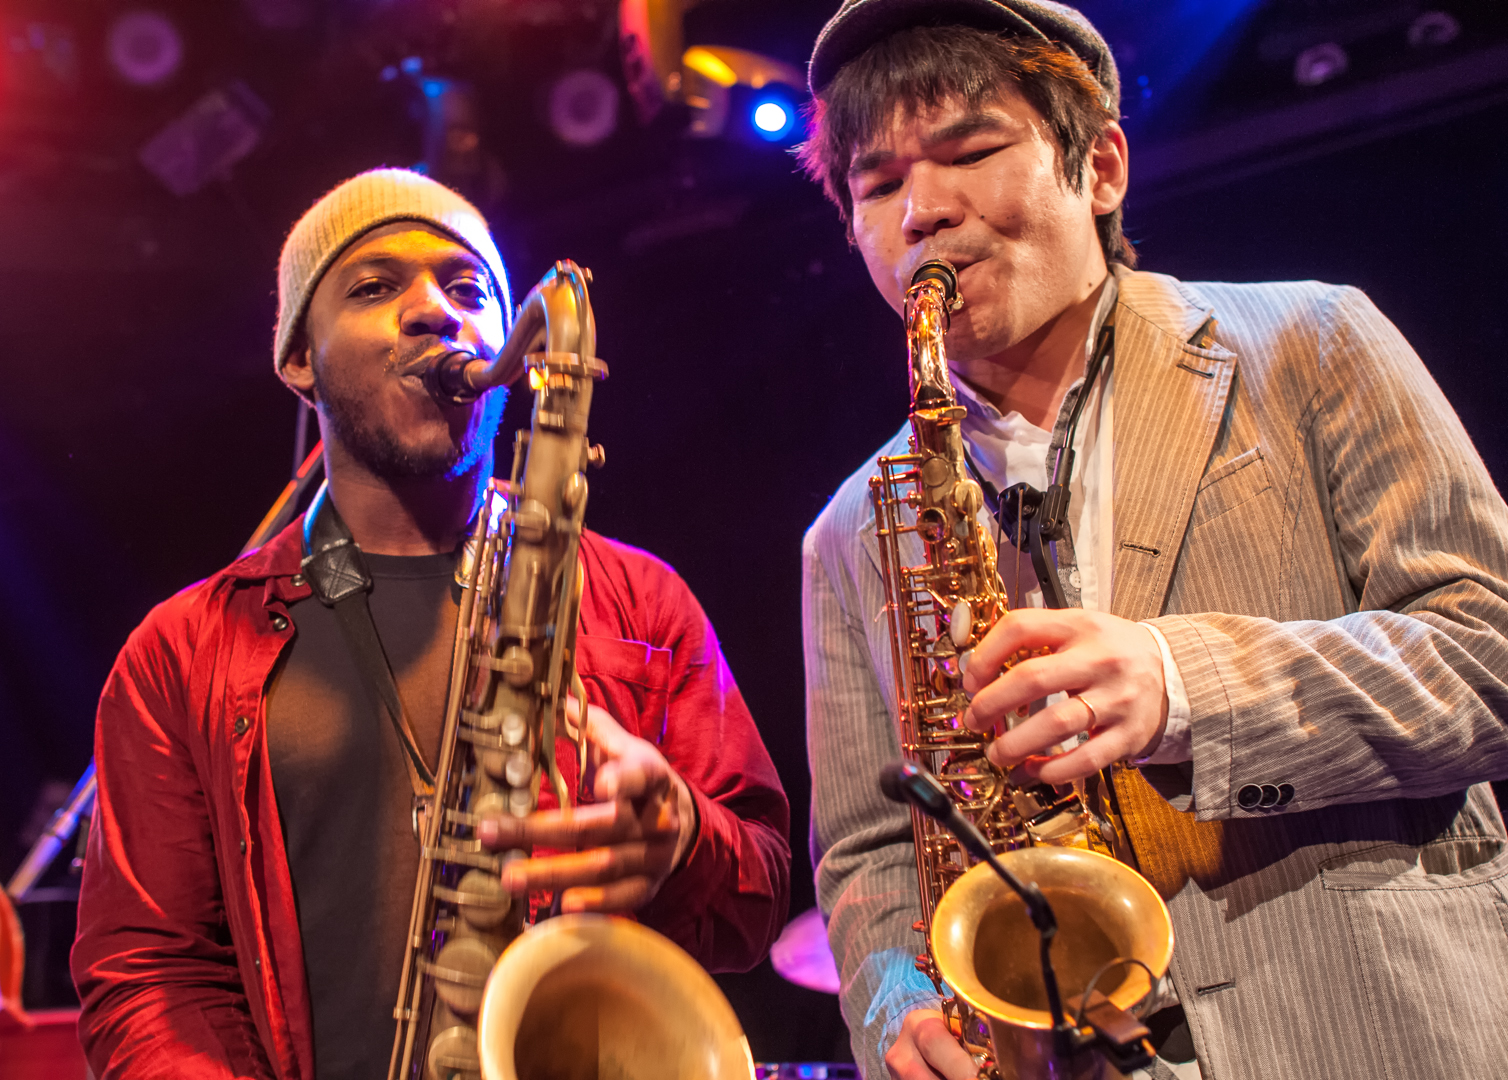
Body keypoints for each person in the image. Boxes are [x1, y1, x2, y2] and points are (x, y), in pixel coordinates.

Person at [797, 2, 1508, 1078]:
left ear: (1101, 168)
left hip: (1380, 1028)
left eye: (971, 150)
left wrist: (1183, 685)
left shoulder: (1314, 343)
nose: (921, 212)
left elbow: (1486, 655)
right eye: (878, 183)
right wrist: (900, 999)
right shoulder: (847, 532)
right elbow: (865, 851)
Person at [71, 168, 791, 1079]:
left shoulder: (642, 600)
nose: (436, 313)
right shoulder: (181, 651)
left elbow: (761, 897)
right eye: (374, 287)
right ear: (299, 359)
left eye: (467, 289)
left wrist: (683, 836)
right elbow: (145, 973)